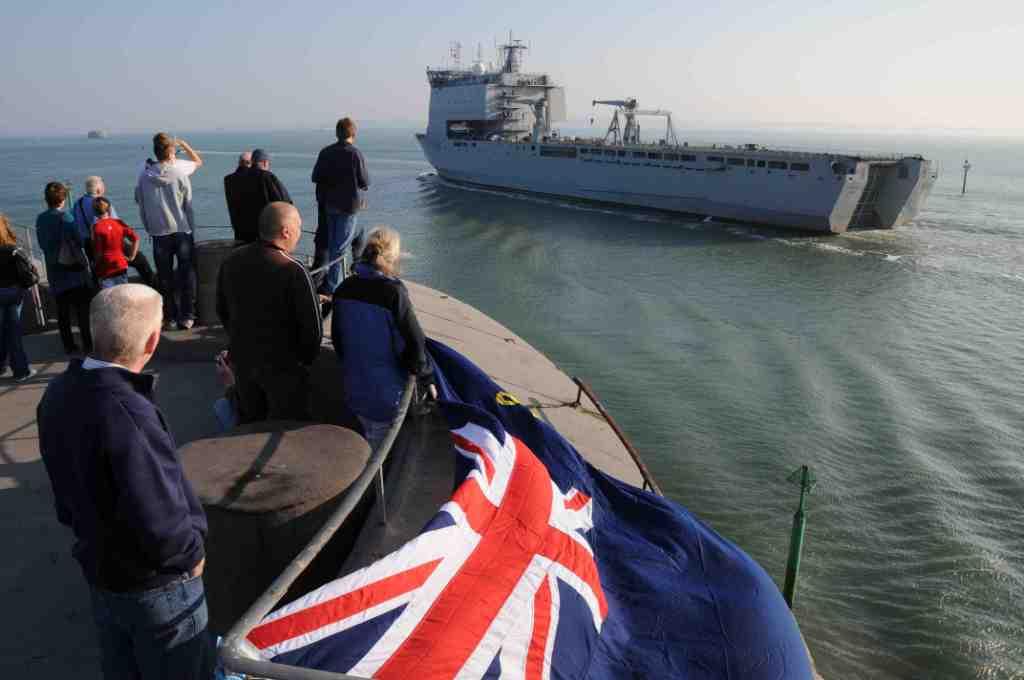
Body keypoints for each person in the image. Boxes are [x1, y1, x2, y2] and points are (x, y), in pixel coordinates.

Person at [37, 284, 214, 679]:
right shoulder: (127, 412)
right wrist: (192, 555)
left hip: (102, 572)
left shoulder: (58, 392)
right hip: (157, 589)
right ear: (152, 340)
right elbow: (161, 521)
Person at [216, 202, 322, 423]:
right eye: (299, 227)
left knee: (249, 421)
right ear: (286, 231)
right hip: (283, 368)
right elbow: (313, 330)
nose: (300, 233)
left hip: (244, 363)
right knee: (287, 422)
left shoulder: (231, 261)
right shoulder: (294, 269)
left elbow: (222, 309)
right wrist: (303, 360)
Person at [332, 227, 435, 450]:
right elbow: (414, 346)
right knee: (380, 449)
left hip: (355, 388)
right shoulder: (394, 294)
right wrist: (427, 380)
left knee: (367, 434)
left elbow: (339, 343)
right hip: (388, 395)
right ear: (394, 258)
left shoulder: (343, 289)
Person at [135, 133, 202, 330]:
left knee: (165, 278)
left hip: (158, 232)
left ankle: (171, 316)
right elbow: (188, 205)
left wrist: (149, 227)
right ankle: (188, 315)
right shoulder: (180, 174)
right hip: (181, 230)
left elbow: (141, 205)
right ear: (171, 151)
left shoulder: (144, 178)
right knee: (187, 273)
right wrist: (191, 229)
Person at [312, 117, 370, 293]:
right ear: (353, 133)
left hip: (329, 204)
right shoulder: (355, 154)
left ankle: (335, 278)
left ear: (337, 133)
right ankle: (333, 286)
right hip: (348, 206)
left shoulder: (325, 152)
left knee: (336, 242)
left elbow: (315, 177)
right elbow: (364, 181)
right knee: (340, 247)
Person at [36, 181, 94, 355]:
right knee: (82, 309)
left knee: (62, 311)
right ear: (63, 199)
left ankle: (68, 345)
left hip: (54, 270)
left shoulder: (41, 218)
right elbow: (78, 239)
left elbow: (42, 243)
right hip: (73, 270)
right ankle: (87, 343)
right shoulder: (66, 217)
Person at [74, 175, 158, 288]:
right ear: (99, 189)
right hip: (108, 242)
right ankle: (154, 287)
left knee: (98, 271)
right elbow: (115, 226)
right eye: (103, 186)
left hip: (89, 245)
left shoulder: (77, 204)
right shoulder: (104, 204)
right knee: (140, 260)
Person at [0, 213, 38, 381]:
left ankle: (1, 366)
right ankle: (20, 370)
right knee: (13, 331)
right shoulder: (13, 250)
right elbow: (27, 274)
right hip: (14, 292)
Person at [229, 148, 293, 243]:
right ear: (265, 162)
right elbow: (284, 203)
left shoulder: (236, 179)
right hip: (265, 231)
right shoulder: (267, 177)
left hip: (242, 232)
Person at [91, 197, 140, 289]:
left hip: (105, 267)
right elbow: (135, 239)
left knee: (109, 297)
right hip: (121, 263)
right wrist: (132, 256)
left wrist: (95, 264)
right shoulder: (119, 223)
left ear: (94, 212)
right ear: (109, 209)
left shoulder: (96, 227)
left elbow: (99, 252)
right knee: (123, 293)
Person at [223, 150, 251, 240]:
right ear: (250, 163)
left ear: (239, 162)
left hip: (237, 223)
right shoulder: (256, 178)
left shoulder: (228, 179)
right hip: (255, 226)